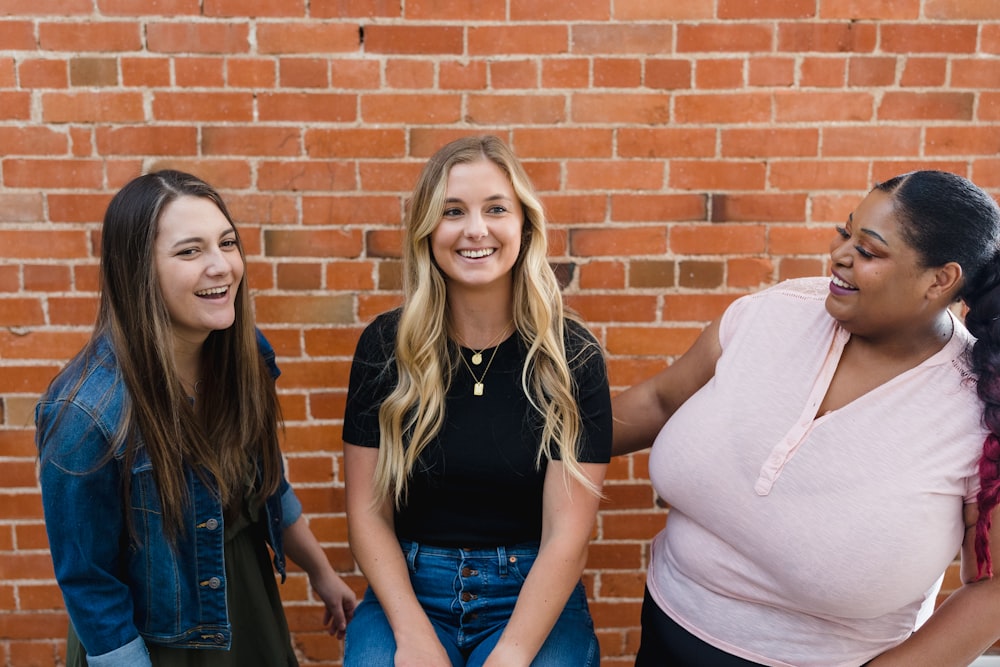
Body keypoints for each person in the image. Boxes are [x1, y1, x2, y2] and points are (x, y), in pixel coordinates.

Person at [612, 169, 1000, 667]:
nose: (839, 256)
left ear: (940, 279)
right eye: (846, 233)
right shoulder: (775, 312)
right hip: (665, 633)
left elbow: (992, 590)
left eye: (869, 250)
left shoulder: (980, 410)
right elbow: (660, 402)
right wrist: (534, 442)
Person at [35, 170, 357, 667]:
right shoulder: (85, 413)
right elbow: (89, 580)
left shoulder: (245, 355)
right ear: (137, 269)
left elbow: (266, 484)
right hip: (151, 639)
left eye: (227, 243)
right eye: (189, 251)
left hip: (247, 605)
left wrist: (321, 572)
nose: (221, 266)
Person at [341, 135, 612, 667]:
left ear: (523, 225)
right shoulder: (386, 346)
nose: (475, 229)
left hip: (531, 591)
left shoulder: (570, 356)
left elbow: (568, 535)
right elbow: (366, 514)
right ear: (427, 230)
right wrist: (413, 635)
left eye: (496, 209)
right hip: (412, 588)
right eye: (453, 212)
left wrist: (511, 653)